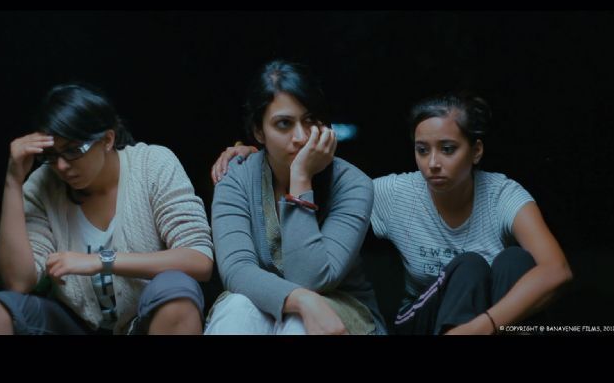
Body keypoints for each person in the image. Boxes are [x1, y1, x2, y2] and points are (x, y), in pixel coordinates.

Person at [211, 91, 572, 335]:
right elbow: (343, 199)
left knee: (515, 262)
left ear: (476, 151)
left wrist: (484, 326)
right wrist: (259, 156)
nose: (433, 163)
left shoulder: (502, 195)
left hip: (489, 323)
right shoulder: (395, 193)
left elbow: (557, 270)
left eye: (448, 149)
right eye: (422, 150)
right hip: (426, 320)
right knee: (469, 266)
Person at [0, 83, 213, 335]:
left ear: (107, 139)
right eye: (51, 155)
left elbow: (198, 259)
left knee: (176, 290)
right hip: (77, 325)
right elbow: (18, 282)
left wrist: (101, 262)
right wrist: (13, 181)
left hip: (144, 322)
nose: (62, 166)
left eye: (73, 151)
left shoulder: (151, 165)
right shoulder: (44, 184)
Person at [205, 60, 386, 335]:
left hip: (338, 309)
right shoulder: (236, 178)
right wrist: (302, 300)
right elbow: (237, 270)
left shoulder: (352, 184)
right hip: (258, 304)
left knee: (297, 325)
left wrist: (300, 178)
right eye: (284, 124)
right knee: (237, 307)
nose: (301, 137)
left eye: (310, 120)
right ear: (258, 131)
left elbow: (311, 279)